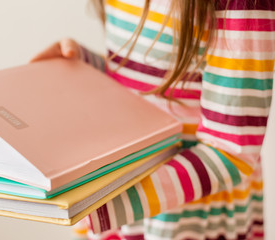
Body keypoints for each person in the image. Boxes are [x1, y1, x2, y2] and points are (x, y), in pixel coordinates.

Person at [30, 0, 274, 239]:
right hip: (120, 193)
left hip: (188, 215)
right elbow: (142, 84)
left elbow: (231, 153)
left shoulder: (242, 5)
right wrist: (82, 65)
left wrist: (100, 202)